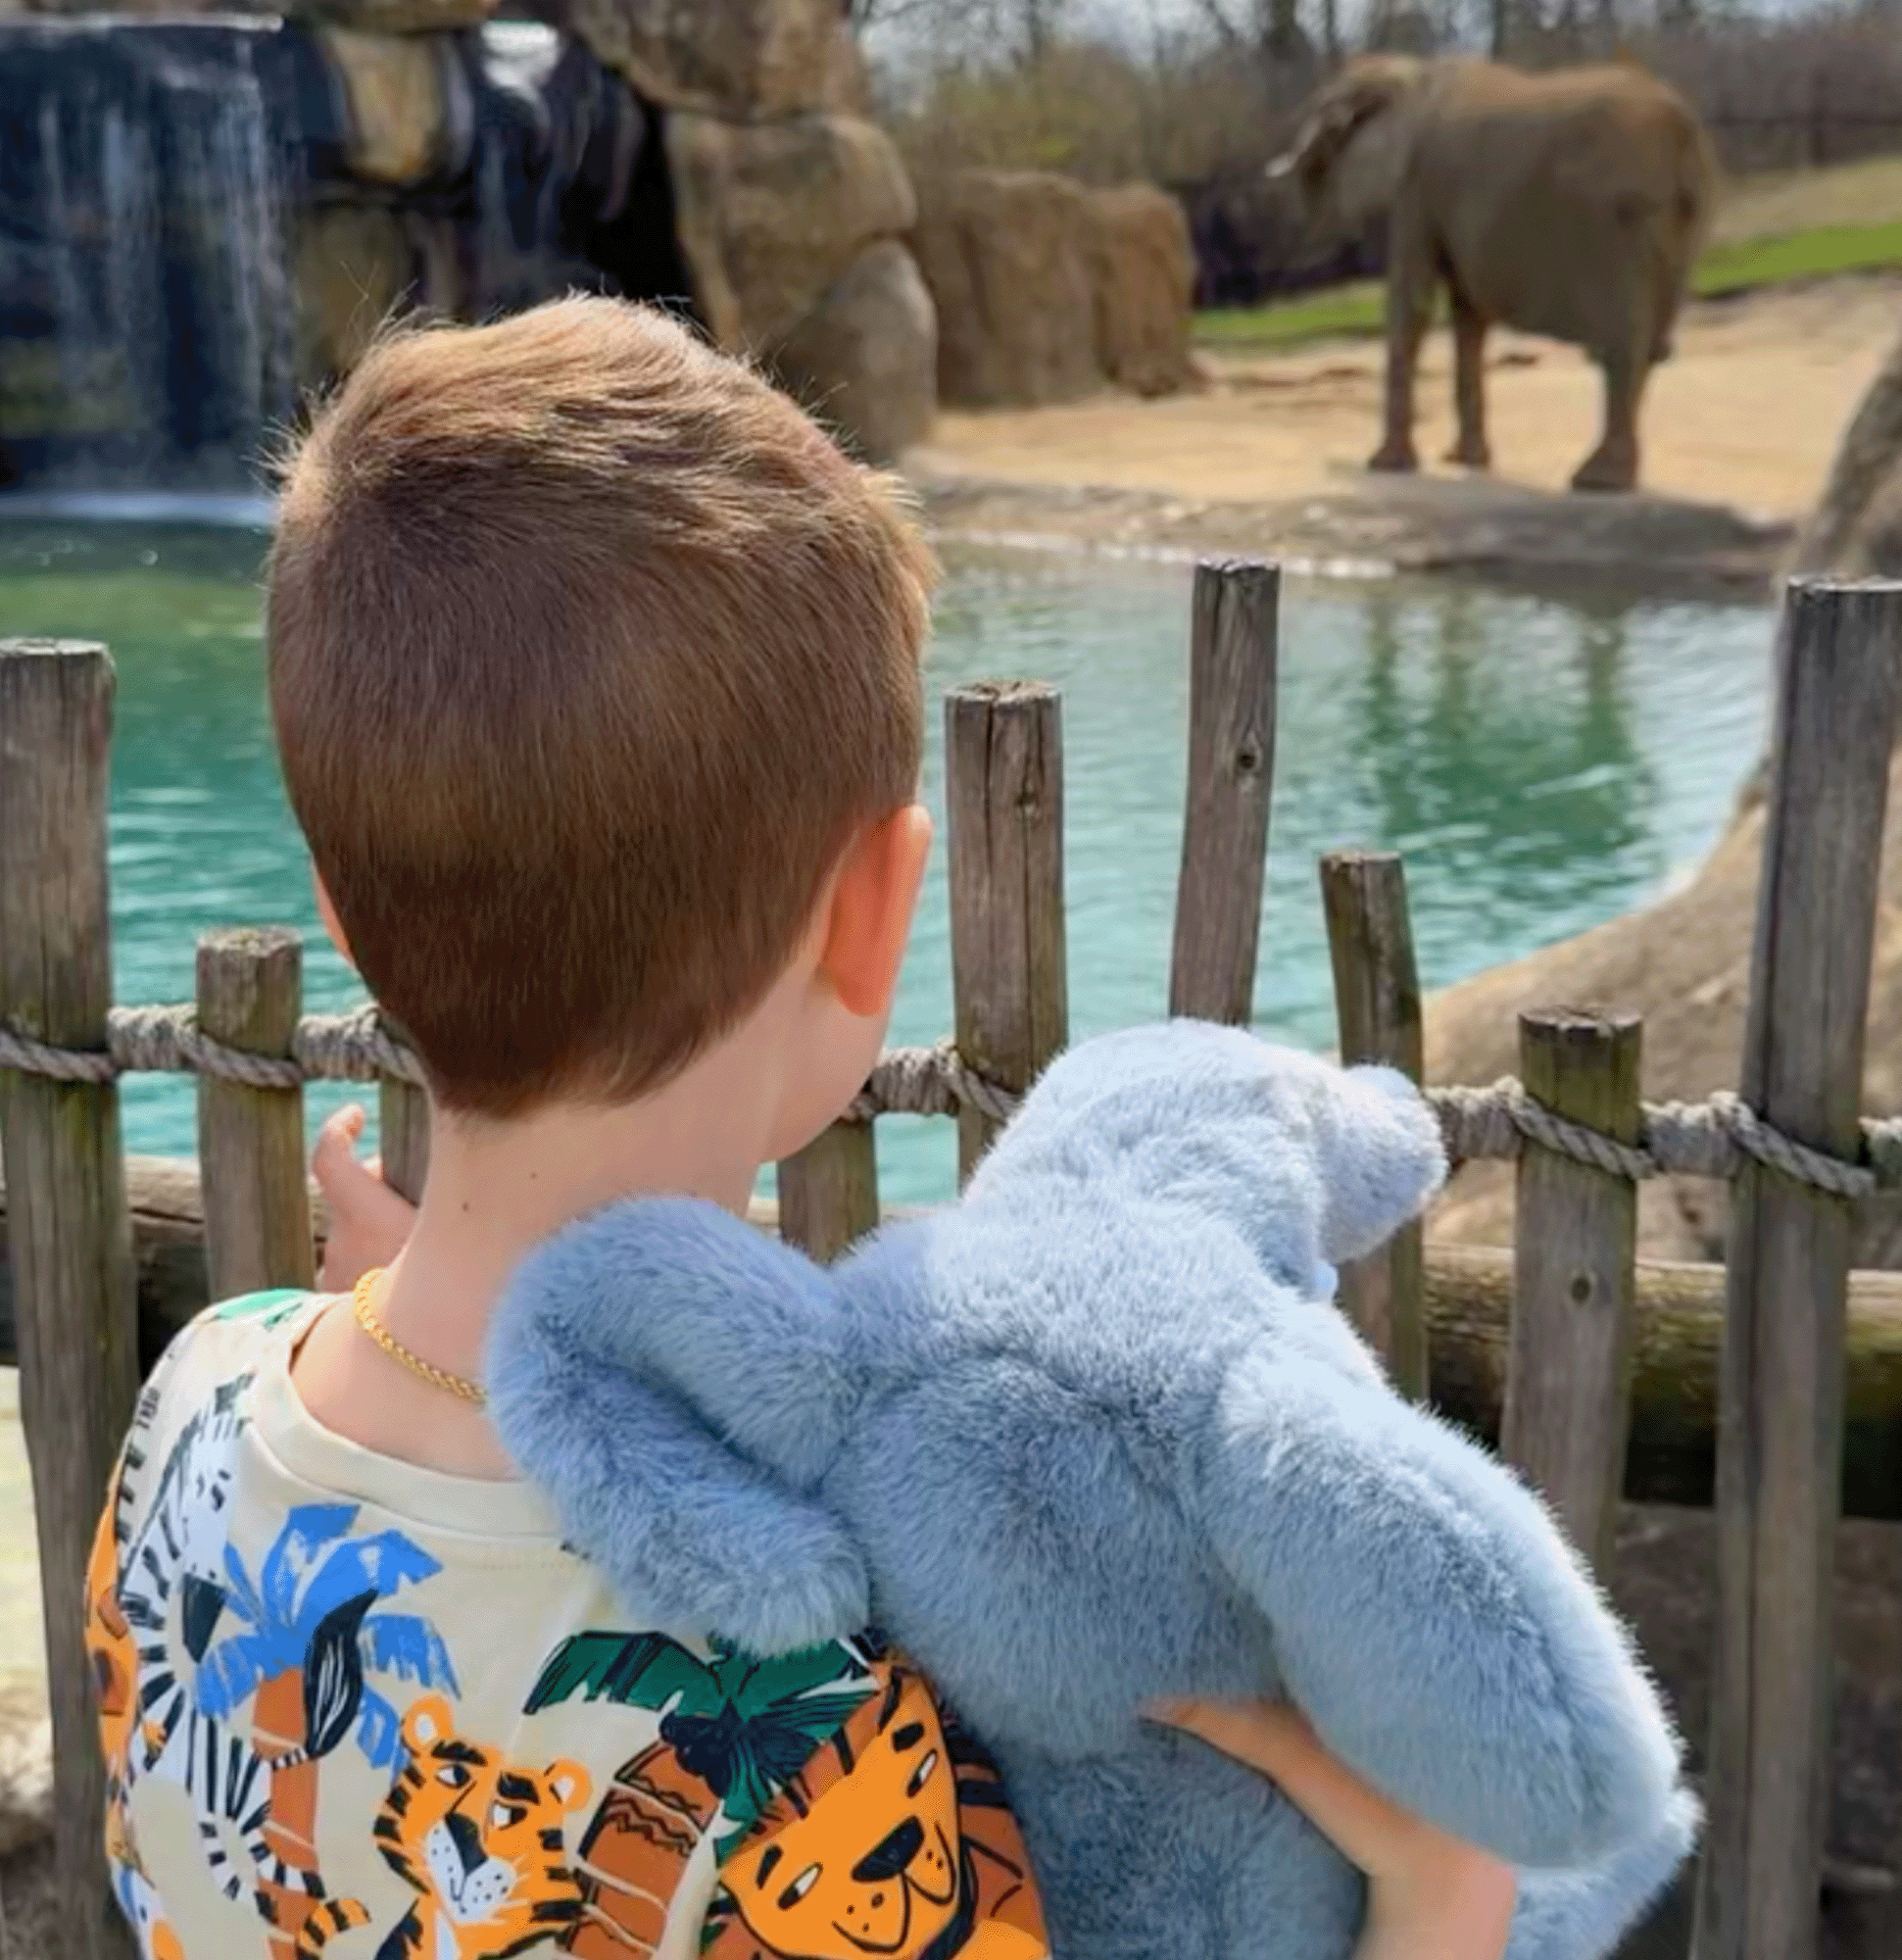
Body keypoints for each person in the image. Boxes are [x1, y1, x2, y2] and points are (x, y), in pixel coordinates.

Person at [92, 294, 1513, 1960]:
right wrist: (1444, 1898)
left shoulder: (198, 1400)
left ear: (341, 909)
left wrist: (416, 1311)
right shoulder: (818, 1748)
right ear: (877, 912)